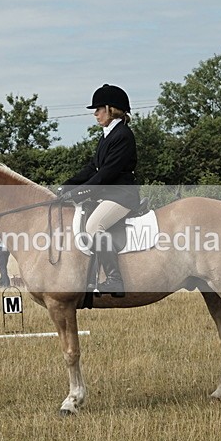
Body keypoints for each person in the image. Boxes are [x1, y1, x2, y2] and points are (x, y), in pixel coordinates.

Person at [59, 84, 140, 297]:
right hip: (109, 195)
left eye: (98, 109)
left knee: (95, 226)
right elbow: (93, 168)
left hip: (122, 196)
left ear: (110, 109)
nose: (95, 114)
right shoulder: (107, 136)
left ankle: (114, 279)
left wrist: (80, 192)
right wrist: (68, 185)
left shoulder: (122, 135)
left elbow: (107, 174)